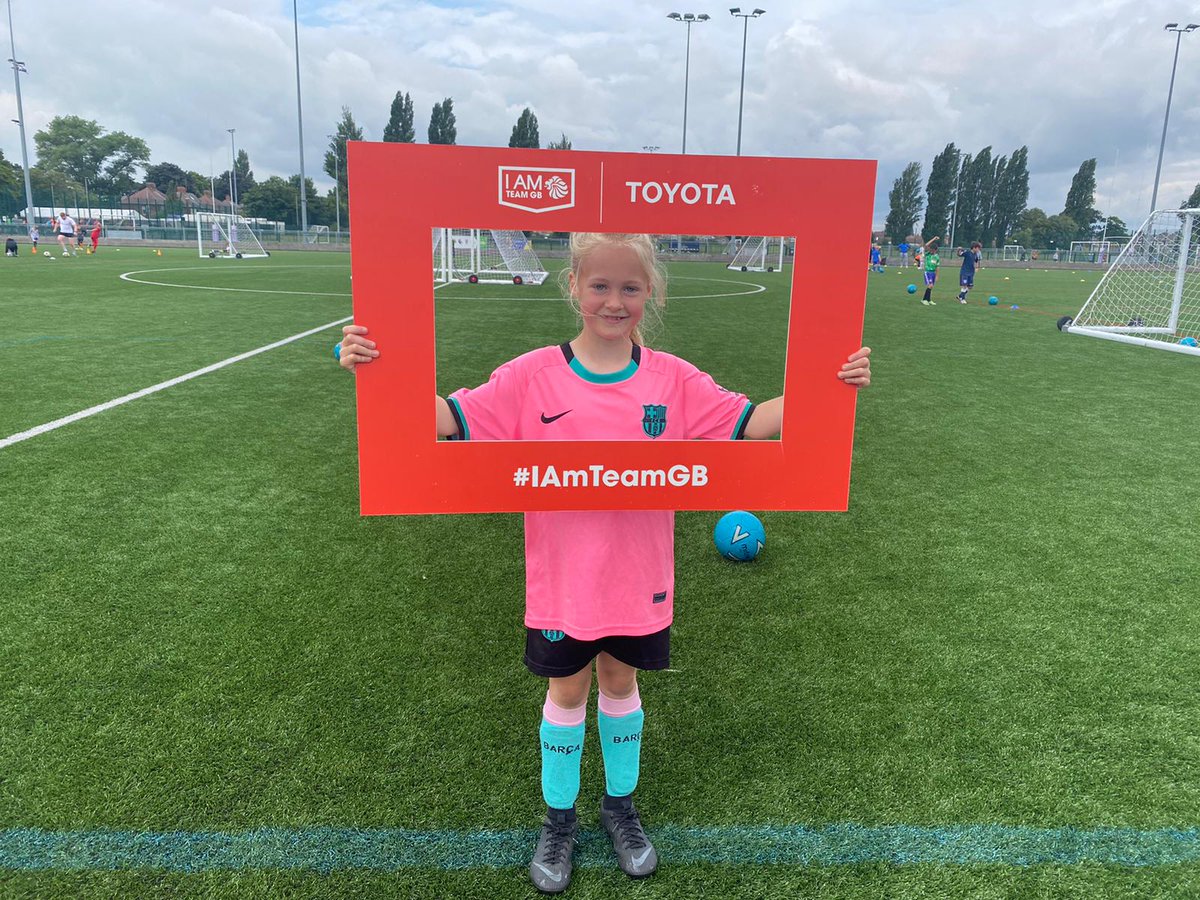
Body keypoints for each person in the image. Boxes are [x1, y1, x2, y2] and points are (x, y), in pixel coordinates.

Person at [337, 232, 872, 894]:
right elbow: (447, 419)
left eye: (630, 287)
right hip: (563, 580)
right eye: (600, 286)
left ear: (650, 294)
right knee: (567, 691)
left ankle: (619, 808)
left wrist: (831, 386)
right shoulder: (532, 376)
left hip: (639, 578)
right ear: (574, 288)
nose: (614, 301)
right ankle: (559, 819)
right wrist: (376, 374)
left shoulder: (673, 380)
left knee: (620, 683)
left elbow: (752, 424)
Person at [919, 236, 940, 306]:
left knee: (931, 286)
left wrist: (937, 275)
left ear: (935, 250)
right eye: (930, 249)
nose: (931, 251)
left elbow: (937, 267)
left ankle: (929, 300)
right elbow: (925, 245)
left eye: (933, 250)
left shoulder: (937, 257)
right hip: (927, 272)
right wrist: (934, 239)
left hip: (933, 273)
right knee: (930, 285)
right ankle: (924, 299)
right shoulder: (927, 254)